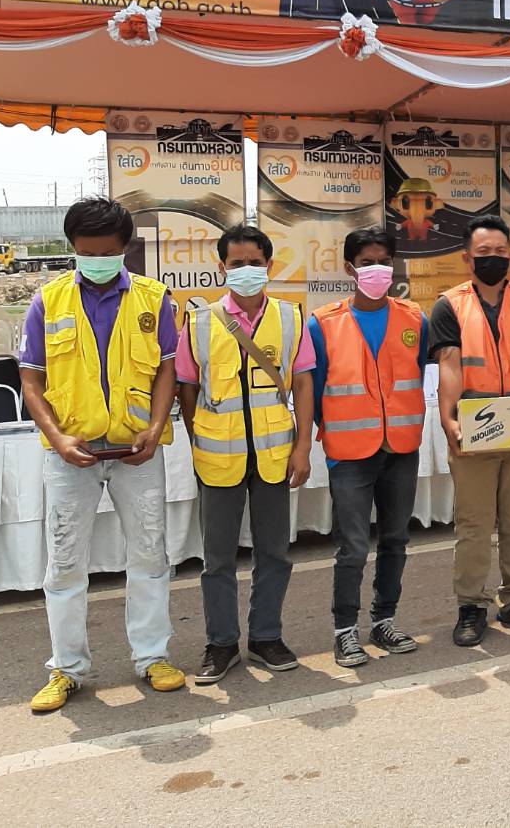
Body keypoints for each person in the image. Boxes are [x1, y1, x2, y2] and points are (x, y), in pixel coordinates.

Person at [18, 198, 184, 712]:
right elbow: (30, 378)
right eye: (86, 253)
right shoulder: (48, 301)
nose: (95, 261)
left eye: (106, 253)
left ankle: (152, 657)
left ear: (125, 248)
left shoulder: (154, 299)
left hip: (138, 450)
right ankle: (66, 668)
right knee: (65, 562)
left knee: (150, 556)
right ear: (72, 248)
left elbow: (166, 369)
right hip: (73, 452)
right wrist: (57, 438)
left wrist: (155, 428)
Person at [176, 225, 314, 685]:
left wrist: (303, 447)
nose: (246, 270)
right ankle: (220, 643)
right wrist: (201, 435)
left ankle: (266, 637)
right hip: (218, 456)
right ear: (222, 267)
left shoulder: (290, 318)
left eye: (255, 263)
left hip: (275, 454)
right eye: (237, 264)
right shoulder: (199, 322)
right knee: (217, 558)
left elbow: (303, 383)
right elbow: (187, 388)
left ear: (269, 266)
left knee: (274, 552)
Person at [431, 215, 510, 646]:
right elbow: (449, 365)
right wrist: (447, 417)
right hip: (476, 425)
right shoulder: (449, 305)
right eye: (483, 253)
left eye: (500, 252)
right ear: (467, 258)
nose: (493, 259)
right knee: (474, 524)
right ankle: (471, 605)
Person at [308, 227, 428, 668]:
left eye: (383, 261)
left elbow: (418, 372)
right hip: (349, 453)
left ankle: (384, 620)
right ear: (349, 268)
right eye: (366, 262)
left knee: (395, 539)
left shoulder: (415, 319)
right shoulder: (322, 323)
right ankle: (345, 631)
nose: (375, 269)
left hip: (401, 447)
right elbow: (314, 390)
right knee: (353, 547)